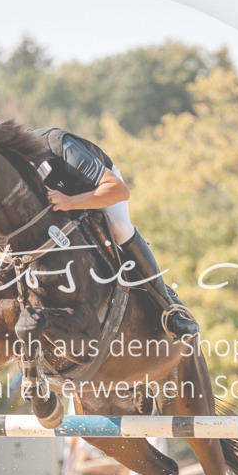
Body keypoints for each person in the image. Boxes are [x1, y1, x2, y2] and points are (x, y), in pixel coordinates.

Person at [29, 126, 200, 341]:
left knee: (119, 227)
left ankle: (168, 309)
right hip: (61, 200)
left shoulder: (59, 146)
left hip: (102, 189)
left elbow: (120, 191)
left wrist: (70, 201)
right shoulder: (12, 165)